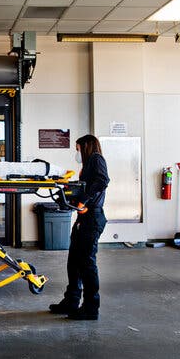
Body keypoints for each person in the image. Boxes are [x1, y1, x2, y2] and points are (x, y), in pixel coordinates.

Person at [49, 134, 109, 320]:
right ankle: (71, 301)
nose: (77, 153)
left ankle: (91, 308)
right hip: (84, 219)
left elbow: (102, 181)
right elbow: (88, 185)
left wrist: (83, 200)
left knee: (87, 263)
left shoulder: (96, 159)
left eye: (77, 149)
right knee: (74, 262)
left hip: (93, 218)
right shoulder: (88, 164)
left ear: (86, 146)